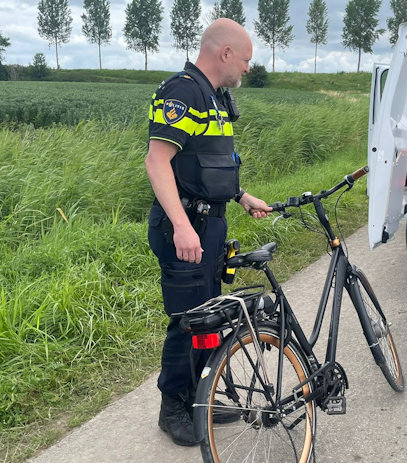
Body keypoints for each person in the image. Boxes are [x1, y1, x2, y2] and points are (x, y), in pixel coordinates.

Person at [145, 18, 272, 445]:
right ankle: (172, 407)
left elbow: (210, 164)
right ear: (226, 53)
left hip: (210, 225)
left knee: (209, 317)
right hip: (186, 226)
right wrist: (181, 227)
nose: (248, 69)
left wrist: (242, 196)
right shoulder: (183, 91)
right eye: (247, 59)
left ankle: (202, 394)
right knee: (187, 321)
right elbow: (157, 161)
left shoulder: (215, 98)